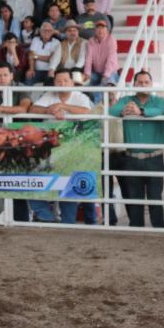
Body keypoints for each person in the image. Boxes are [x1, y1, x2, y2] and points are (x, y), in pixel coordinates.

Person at [29, 69, 95, 223]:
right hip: (49, 149)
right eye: (58, 81)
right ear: (54, 83)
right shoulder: (48, 95)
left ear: (72, 83)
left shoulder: (79, 96)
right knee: (34, 182)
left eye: (65, 80)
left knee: (68, 187)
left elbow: (86, 111)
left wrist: (62, 107)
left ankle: (68, 223)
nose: (62, 84)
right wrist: (48, 110)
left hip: (73, 148)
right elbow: (33, 109)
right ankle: (48, 217)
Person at [109, 71, 164, 228]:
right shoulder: (126, 100)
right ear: (134, 85)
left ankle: (159, 231)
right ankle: (136, 230)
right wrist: (124, 110)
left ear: (151, 84)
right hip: (131, 158)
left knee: (155, 198)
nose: (143, 85)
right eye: (139, 82)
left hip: (154, 158)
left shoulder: (159, 101)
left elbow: (159, 111)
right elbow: (112, 111)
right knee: (134, 199)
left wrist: (140, 112)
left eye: (146, 82)